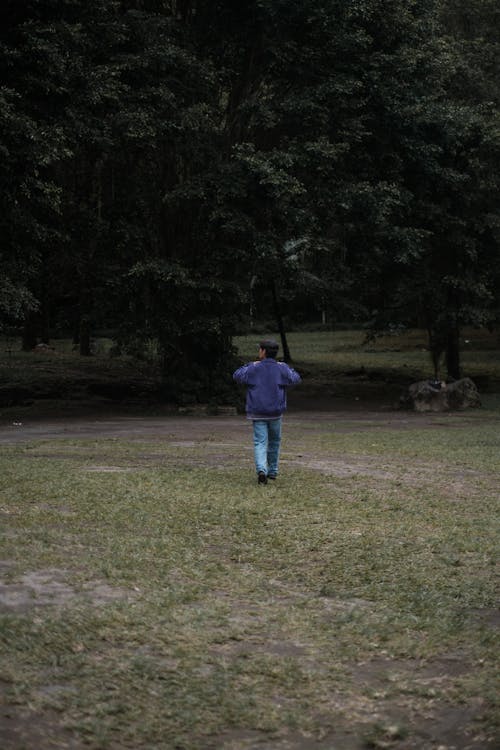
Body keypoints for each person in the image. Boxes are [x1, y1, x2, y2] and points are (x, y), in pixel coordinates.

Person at [233, 339, 301, 484]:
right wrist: (287, 368)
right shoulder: (281, 368)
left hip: (257, 412)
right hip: (275, 412)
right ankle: (273, 471)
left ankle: (261, 469)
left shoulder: (254, 368)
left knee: (260, 442)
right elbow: (295, 379)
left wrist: (251, 364)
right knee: (275, 441)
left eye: (259, 349)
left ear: (263, 352)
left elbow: (237, 375)